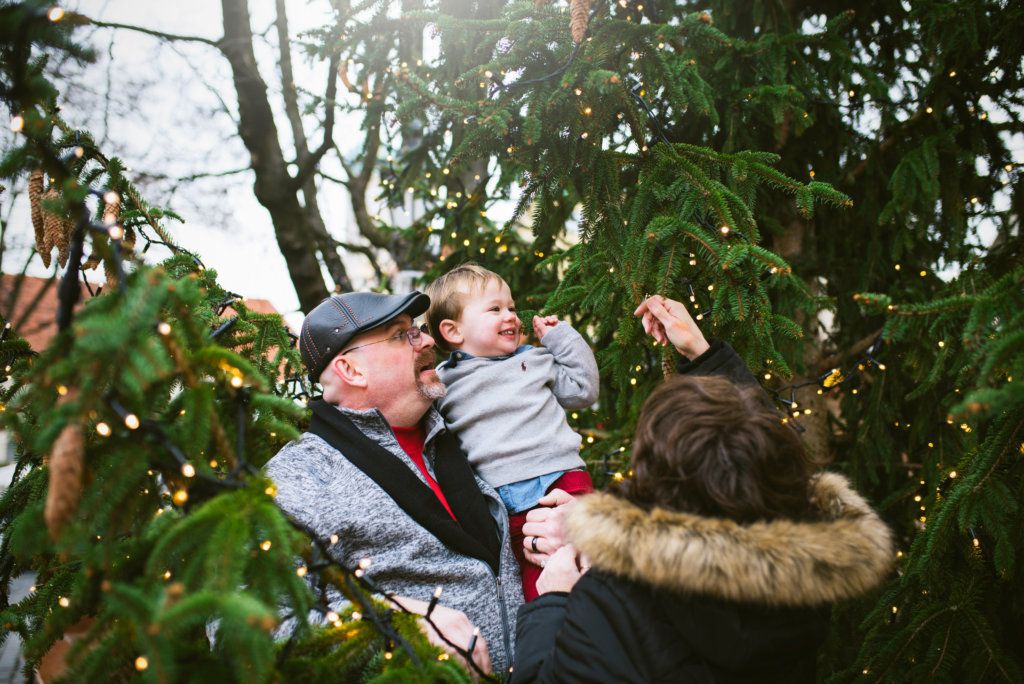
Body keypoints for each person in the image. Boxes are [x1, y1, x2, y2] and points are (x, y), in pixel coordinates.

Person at [511, 295, 895, 683]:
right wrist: (702, 352)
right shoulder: (808, 561)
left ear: (659, 486)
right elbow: (754, 452)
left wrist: (556, 600)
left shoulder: (613, 602)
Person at [264, 291, 523, 675]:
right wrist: (394, 626)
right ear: (351, 371)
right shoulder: (300, 476)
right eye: (403, 335)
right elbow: (249, 628)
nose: (429, 340)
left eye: (417, 330)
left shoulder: (466, 425)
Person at [424, 264, 600, 601]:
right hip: (500, 503)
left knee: (584, 564)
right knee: (531, 584)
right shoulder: (443, 383)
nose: (511, 317)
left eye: (511, 308)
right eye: (495, 309)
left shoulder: (534, 360)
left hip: (561, 481)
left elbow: (582, 390)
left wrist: (561, 339)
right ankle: (550, 641)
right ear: (453, 331)